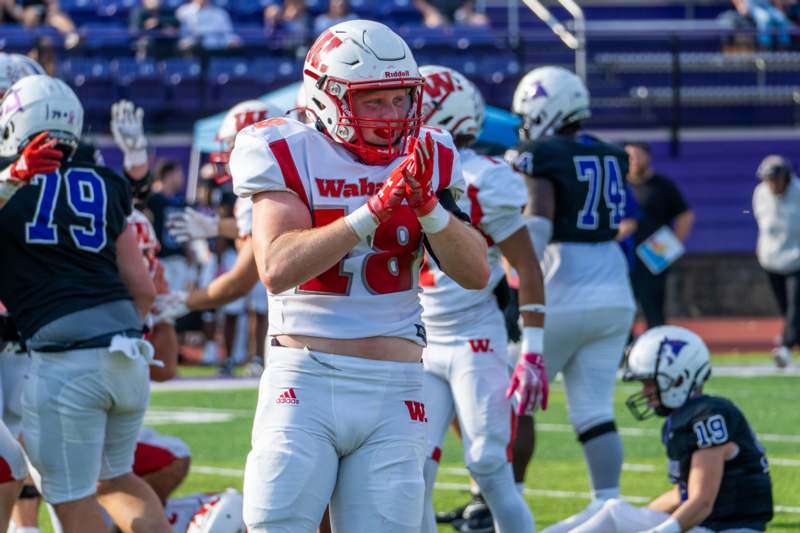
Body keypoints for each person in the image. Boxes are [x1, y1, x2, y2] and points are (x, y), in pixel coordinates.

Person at [230, 19, 489, 532]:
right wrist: (369, 212)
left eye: (400, 99)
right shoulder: (283, 146)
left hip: (395, 386)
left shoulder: (430, 152)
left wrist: (429, 208)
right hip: (305, 378)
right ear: (327, 96)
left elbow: (476, 271)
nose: (391, 116)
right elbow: (277, 268)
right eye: (374, 101)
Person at [0, 75, 169, 533]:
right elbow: (144, 289)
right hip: (127, 352)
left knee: (71, 499)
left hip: (63, 359)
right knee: (116, 482)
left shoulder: (9, 188)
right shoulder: (108, 184)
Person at [507, 66, 636, 532]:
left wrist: (522, 264)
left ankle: (507, 502)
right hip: (614, 285)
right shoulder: (612, 153)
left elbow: (540, 214)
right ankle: (608, 503)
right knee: (595, 409)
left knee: (514, 397)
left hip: (562, 281)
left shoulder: (540, 153)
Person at [415, 65, 543, 533]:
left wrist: (534, 351)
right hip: (419, 340)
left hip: (474, 335)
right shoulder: (390, 172)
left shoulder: (488, 177)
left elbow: (526, 265)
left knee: (489, 464)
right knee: (415, 469)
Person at [549, 325, 774, 533]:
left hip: (732, 529)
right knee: (614, 512)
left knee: (617, 516)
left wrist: (658, 531)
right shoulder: (683, 418)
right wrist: (640, 517)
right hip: (711, 527)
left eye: (650, 382)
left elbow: (702, 502)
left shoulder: (709, 416)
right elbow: (683, 493)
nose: (645, 392)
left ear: (679, 379)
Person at [159, 100, 282, 377]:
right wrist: (216, 225)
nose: (225, 155)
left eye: (232, 145)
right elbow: (252, 233)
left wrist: (187, 301)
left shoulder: (264, 193)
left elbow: (239, 281)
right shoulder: (280, 184)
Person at [625, 141, 694, 330]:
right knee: (624, 310)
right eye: (630, 156)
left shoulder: (662, 186)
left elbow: (685, 216)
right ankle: (625, 351)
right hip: (623, 257)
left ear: (648, 157)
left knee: (654, 311)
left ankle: (655, 350)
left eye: (639, 155)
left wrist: (672, 247)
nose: (635, 161)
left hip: (652, 256)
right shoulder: (619, 186)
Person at [752, 155, 800, 368]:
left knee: (795, 304)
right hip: (771, 259)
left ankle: (785, 347)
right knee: (784, 305)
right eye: (767, 179)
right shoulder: (760, 193)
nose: (771, 184)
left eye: (774, 179)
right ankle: (793, 337)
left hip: (797, 259)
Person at [175, 0, 241, 51]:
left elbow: (228, 37)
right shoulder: (182, 12)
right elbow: (180, 36)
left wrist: (233, 41)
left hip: (215, 53)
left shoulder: (220, 14)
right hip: (191, 53)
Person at [412, 0, 489, 27]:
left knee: (480, 21)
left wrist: (465, 11)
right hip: (436, 13)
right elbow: (419, 2)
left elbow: (470, 2)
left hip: (461, 13)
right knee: (432, 23)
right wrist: (431, 12)